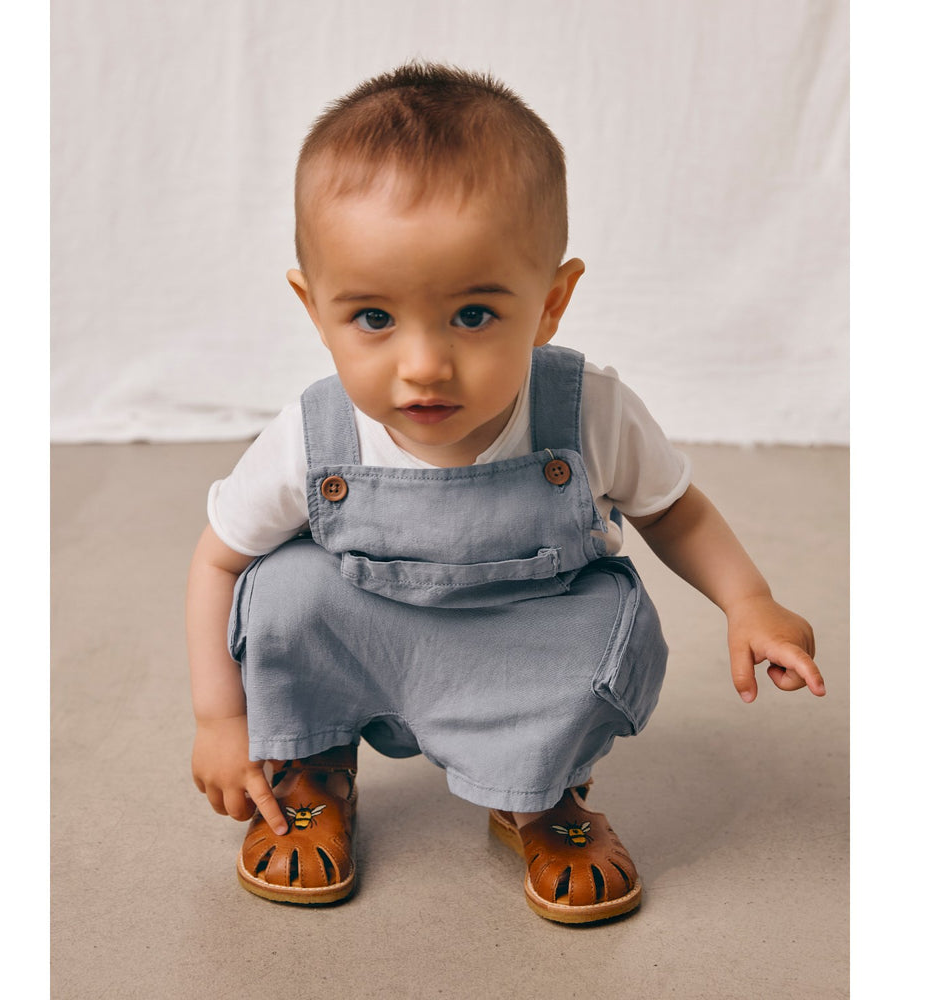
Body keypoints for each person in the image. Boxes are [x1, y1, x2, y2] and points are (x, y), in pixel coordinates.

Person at [186, 62, 825, 924]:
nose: (424, 365)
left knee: (603, 621)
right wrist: (219, 720)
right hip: (367, 634)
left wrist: (749, 600)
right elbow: (218, 561)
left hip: (518, 639)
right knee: (284, 590)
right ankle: (315, 764)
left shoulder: (586, 410)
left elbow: (674, 510)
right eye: (373, 318)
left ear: (551, 302)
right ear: (314, 308)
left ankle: (543, 791)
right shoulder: (313, 433)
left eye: (474, 316)